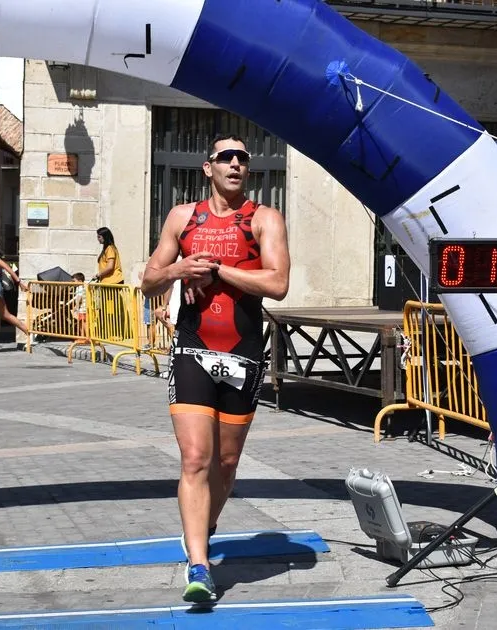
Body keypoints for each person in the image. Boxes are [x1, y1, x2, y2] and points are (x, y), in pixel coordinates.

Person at [141, 134, 290, 602]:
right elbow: (148, 281)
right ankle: (200, 565)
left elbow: (278, 283)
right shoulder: (182, 217)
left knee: (225, 464)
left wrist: (220, 270)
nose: (235, 164)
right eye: (226, 157)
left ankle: (203, 527)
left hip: (243, 352)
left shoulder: (264, 219)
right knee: (195, 459)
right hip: (192, 348)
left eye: (242, 158)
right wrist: (180, 270)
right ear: (208, 167)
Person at [70, 272, 88, 340]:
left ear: (80, 281)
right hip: (81, 309)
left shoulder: (80, 287)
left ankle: (87, 337)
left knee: (84, 323)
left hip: (83, 308)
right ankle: (82, 337)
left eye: (74, 281)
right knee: (81, 322)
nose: (73, 283)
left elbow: (79, 297)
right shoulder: (80, 287)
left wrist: (76, 306)